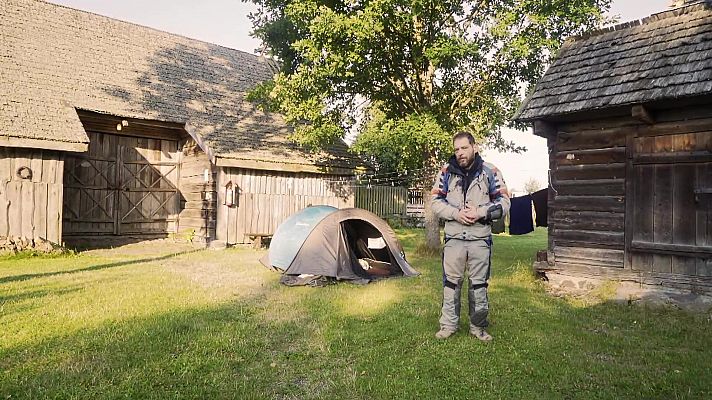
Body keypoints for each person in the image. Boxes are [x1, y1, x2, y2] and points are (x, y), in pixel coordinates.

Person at [430, 131, 510, 341]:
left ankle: (478, 327)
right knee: (450, 285)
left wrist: (480, 212)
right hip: (454, 239)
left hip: (479, 240)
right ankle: (448, 325)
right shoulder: (446, 172)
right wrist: (456, 213)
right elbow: (435, 202)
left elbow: (504, 203)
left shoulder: (491, 171)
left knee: (479, 286)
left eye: (464, 148)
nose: (460, 153)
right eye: (456, 149)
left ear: (474, 147)